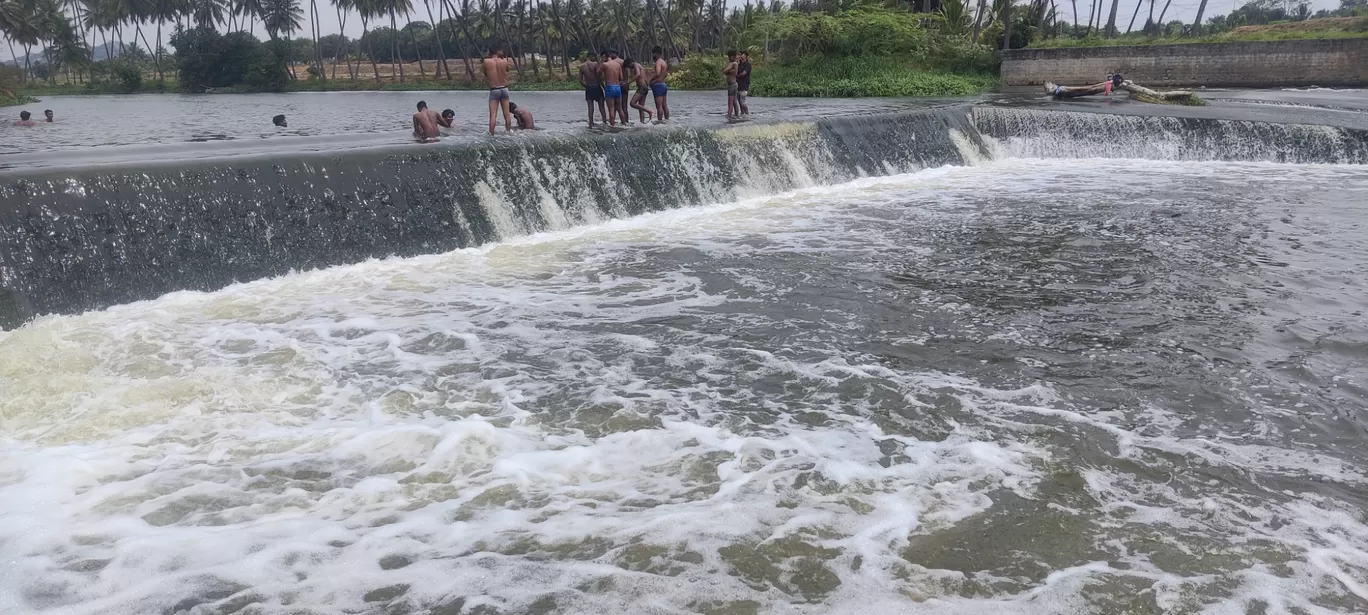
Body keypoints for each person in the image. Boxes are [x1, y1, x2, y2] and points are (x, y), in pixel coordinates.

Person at [483, 46, 515, 135]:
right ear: (498, 51)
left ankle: (491, 134)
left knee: (493, 115)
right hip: (504, 88)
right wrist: (503, 58)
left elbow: (485, 73)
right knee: (507, 114)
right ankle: (508, 132)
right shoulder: (504, 61)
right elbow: (507, 70)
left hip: (494, 90)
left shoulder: (486, 61)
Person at [579, 52, 608, 128]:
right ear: (591, 56)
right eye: (595, 57)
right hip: (597, 87)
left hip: (589, 88)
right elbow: (600, 77)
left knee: (590, 107)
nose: (595, 59)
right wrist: (604, 87)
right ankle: (604, 121)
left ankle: (591, 122)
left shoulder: (582, 66)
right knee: (601, 106)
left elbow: (580, 81)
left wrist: (587, 87)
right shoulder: (595, 64)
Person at [601, 50, 626, 127]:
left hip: (609, 88)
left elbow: (597, 74)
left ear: (604, 56)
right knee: (620, 108)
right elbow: (621, 78)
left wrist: (603, 85)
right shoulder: (618, 65)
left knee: (611, 109)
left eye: (601, 57)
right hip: (617, 88)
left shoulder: (605, 65)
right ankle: (624, 124)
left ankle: (612, 126)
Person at [628, 58, 653, 123]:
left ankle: (649, 111)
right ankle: (642, 122)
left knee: (632, 103)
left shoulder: (636, 64)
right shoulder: (640, 66)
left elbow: (638, 74)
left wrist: (628, 82)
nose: (630, 68)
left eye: (629, 66)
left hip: (642, 87)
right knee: (641, 107)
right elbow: (645, 78)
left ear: (630, 63)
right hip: (644, 87)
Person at [650, 46, 670, 122]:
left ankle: (660, 122)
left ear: (657, 53)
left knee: (659, 106)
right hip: (663, 85)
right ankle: (667, 120)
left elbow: (658, 73)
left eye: (653, 53)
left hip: (658, 86)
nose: (652, 55)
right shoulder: (663, 62)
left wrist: (651, 80)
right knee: (665, 105)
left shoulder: (658, 62)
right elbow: (665, 74)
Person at [723, 50, 740, 120]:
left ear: (732, 57)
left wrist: (728, 69)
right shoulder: (731, 64)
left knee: (730, 102)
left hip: (732, 85)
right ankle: (737, 115)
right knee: (734, 102)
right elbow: (725, 71)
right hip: (732, 85)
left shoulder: (734, 64)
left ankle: (729, 117)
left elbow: (725, 71)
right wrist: (728, 70)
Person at [736, 52, 752, 116]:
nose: (741, 58)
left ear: (746, 57)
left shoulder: (748, 65)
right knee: (739, 101)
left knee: (743, 102)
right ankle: (742, 113)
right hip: (738, 85)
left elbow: (744, 74)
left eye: (742, 57)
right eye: (741, 57)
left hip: (744, 85)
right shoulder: (738, 65)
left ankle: (747, 114)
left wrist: (736, 76)